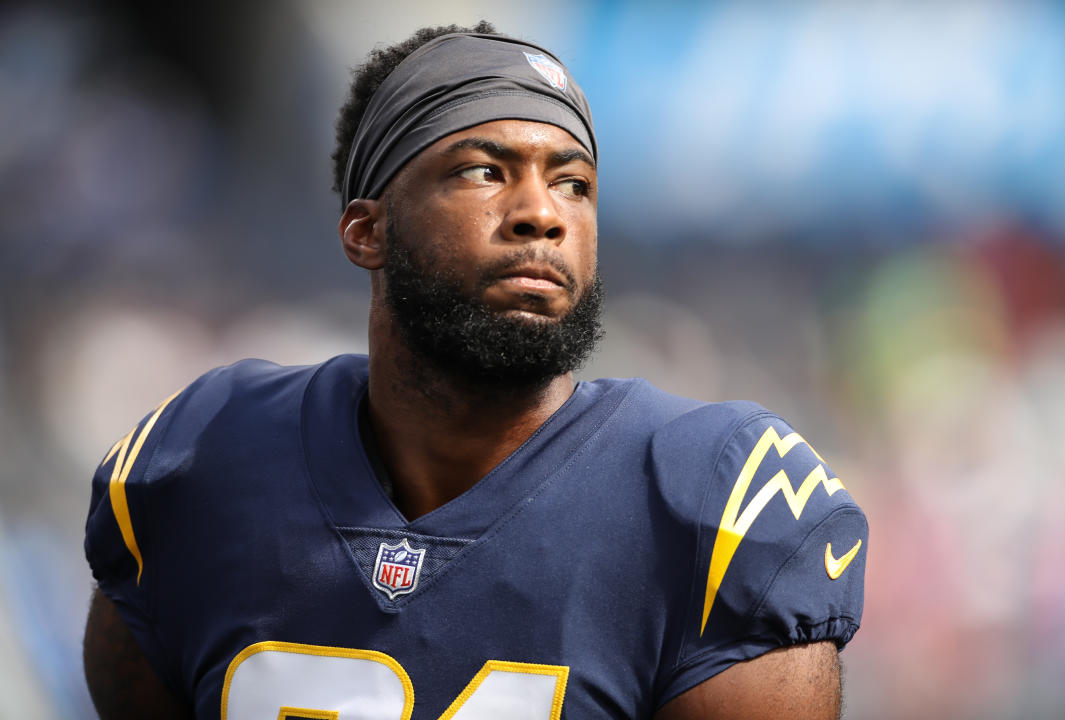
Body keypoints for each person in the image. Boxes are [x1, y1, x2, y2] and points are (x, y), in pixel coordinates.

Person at [82, 22, 867, 719]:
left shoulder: (709, 494)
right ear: (366, 231)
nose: (542, 212)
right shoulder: (207, 458)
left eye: (574, 183)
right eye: (484, 171)